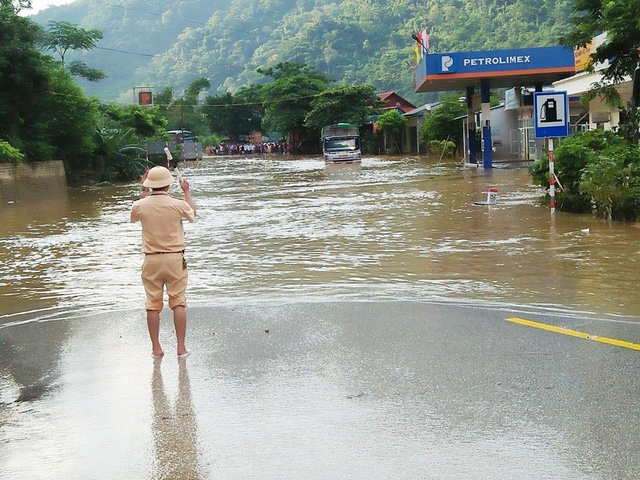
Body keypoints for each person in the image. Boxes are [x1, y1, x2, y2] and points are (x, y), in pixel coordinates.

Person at [130, 166, 196, 358]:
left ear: (149, 183)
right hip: (175, 258)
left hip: (151, 259)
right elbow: (192, 213)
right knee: (178, 302)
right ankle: (181, 348)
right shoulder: (177, 203)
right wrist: (186, 191)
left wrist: (143, 190)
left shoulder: (140, 205)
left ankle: (156, 349)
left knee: (152, 304)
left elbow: (136, 214)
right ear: (168, 183)